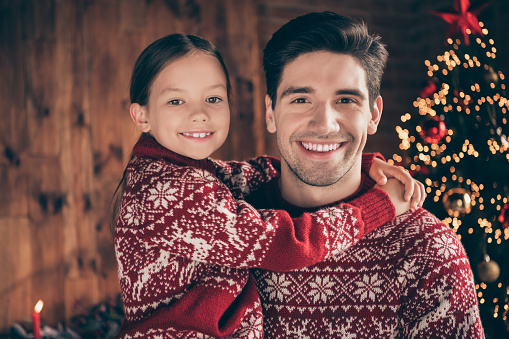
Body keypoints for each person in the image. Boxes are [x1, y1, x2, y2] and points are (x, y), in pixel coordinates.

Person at [113, 34, 424, 338]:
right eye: (176, 100)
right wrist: (380, 205)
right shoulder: (166, 195)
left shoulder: (181, 171)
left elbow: (255, 173)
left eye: (213, 98)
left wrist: (359, 162)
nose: (199, 114)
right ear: (142, 117)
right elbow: (288, 245)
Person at [245, 11, 485, 338]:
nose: (325, 124)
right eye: (301, 99)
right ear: (271, 113)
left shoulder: (427, 250)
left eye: (345, 100)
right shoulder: (221, 226)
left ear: (373, 115)